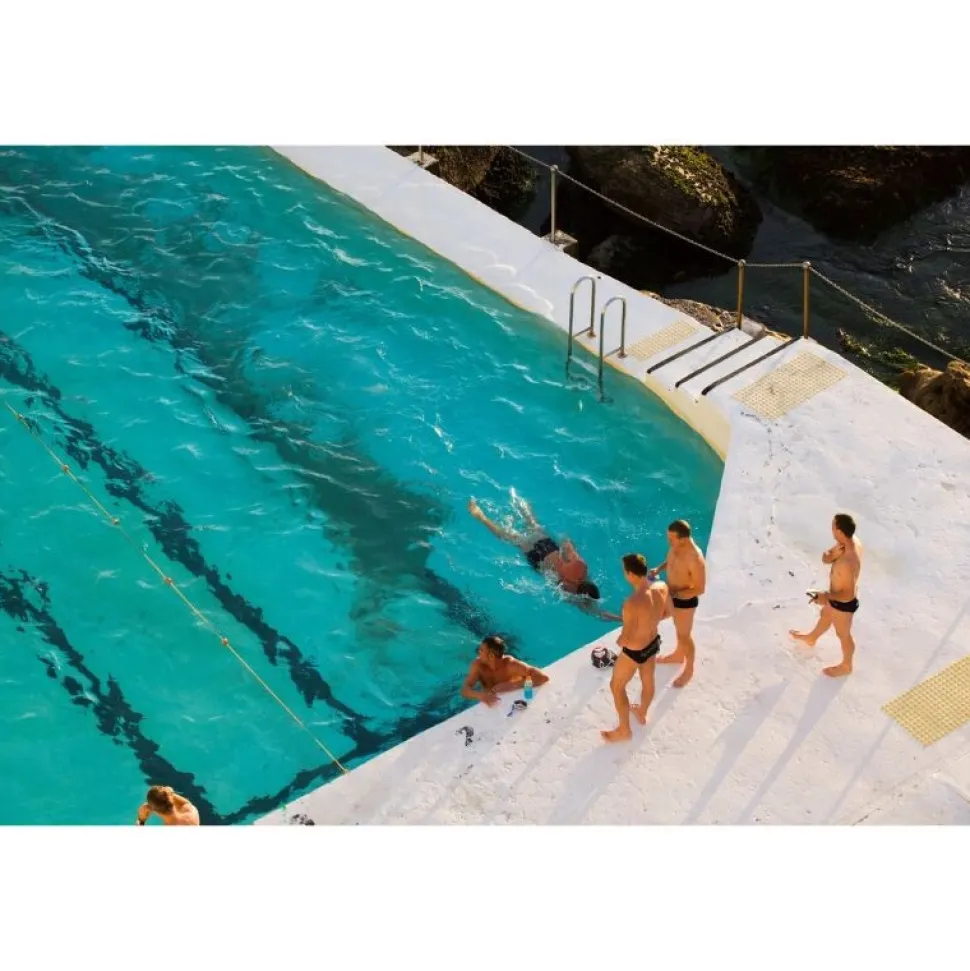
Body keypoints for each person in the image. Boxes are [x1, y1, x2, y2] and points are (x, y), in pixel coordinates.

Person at [467, 496, 618, 619]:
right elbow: (599, 613)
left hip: (548, 546)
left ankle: (521, 501)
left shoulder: (581, 567)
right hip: (536, 558)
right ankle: (481, 517)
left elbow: (567, 544)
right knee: (509, 537)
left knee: (534, 524)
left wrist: (565, 542)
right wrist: (620, 618)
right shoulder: (568, 593)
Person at [601, 553, 670, 743]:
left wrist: (620, 641)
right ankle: (642, 712)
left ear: (631, 574)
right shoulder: (661, 587)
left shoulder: (631, 604)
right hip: (652, 643)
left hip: (634, 651)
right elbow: (668, 612)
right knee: (648, 680)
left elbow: (626, 636)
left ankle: (624, 730)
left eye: (625, 572)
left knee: (616, 686)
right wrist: (649, 623)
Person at [789, 513, 863, 677]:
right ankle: (811, 638)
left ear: (840, 531)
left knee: (843, 635)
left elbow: (848, 594)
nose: (831, 529)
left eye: (833, 526)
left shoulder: (848, 561)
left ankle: (846, 666)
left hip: (843, 604)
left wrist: (826, 597)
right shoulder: (848, 542)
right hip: (836, 597)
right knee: (826, 615)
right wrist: (831, 554)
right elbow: (826, 558)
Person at [648, 519, 706, 688]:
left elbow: (700, 588)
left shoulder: (695, 559)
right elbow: (671, 561)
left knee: (684, 636)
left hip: (685, 602)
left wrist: (676, 595)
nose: (668, 541)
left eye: (671, 538)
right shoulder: (676, 546)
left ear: (683, 539)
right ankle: (678, 655)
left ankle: (689, 669)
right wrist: (659, 569)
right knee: (677, 628)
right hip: (672, 596)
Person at [460, 634, 550, 707]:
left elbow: (542, 677)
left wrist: (512, 685)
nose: (478, 652)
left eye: (481, 650)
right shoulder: (477, 665)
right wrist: (480, 695)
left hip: (513, 699)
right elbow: (465, 690)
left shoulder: (510, 664)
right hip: (492, 702)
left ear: (491, 656)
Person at [135, 785, 200, 826]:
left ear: (155, 811)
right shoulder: (191, 811)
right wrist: (170, 793)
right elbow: (185, 802)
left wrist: (141, 820)